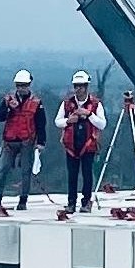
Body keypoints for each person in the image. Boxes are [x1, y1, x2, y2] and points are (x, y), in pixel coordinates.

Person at [0, 71, 48, 214]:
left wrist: (41, 142)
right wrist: (8, 107)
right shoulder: (8, 99)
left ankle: (23, 200)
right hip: (9, 142)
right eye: (19, 86)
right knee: (2, 169)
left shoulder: (36, 103)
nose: (21, 88)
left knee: (25, 172)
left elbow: (41, 123)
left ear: (29, 85)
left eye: (24, 86)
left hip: (26, 141)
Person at [56, 72, 104, 212]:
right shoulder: (66, 104)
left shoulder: (95, 104)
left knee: (87, 174)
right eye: (76, 86)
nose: (79, 89)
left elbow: (102, 124)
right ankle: (71, 203)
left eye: (82, 86)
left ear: (86, 87)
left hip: (88, 145)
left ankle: (86, 202)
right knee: (72, 174)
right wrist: (68, 121)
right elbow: (57, 121)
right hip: (71, 145)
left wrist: (89, 115)